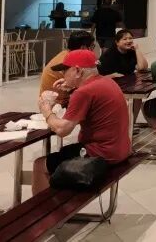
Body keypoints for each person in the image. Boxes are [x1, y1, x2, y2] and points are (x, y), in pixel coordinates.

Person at [33, 49, 131, 194]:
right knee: (63, 153)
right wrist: (73, 86)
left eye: (65, 70)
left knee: (40, 164)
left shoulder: (84, 92)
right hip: (122, 149)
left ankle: (43, 207)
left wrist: (46, 110)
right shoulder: (108, 82)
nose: (63, 75)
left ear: (78, 71)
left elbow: (62, 130)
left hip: (101, 154)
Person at [98, 29, 149, 122]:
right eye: (125, 39)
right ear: (117, 42)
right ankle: (124, 124)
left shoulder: (131, 52)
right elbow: (97, 77)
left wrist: (137, 50)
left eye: (130, 38)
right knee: (130, 99)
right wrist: (111, 75)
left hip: (126, 83)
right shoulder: (109, 55)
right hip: (109, 85)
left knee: (137, 98)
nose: (129, 41)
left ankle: (131, 124)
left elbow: (142, 67)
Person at [39, 30, 94, 106]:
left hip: (55, 100)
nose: (93, 51)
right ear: (83, 47)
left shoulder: (66, 54)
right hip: (57, 103)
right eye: (92, 47)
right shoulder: (71, 61)